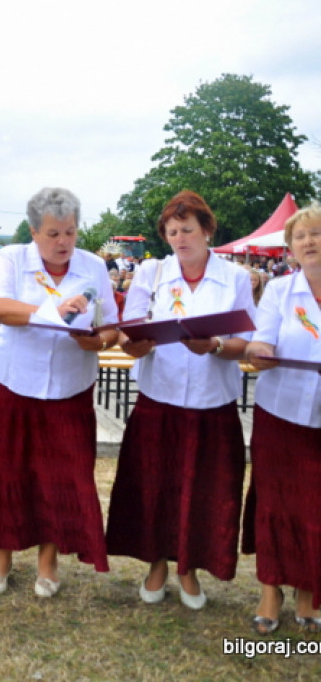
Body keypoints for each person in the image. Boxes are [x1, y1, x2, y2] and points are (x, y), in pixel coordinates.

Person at [106, 190, 254, 610]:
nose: (179, 238)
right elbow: (127, 333)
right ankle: (156, 563)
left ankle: (188, 568)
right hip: (160, 397)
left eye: (187, 230)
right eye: (171, 232)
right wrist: (136, 344)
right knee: (154, 484)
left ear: (207, 230)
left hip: (212, 401)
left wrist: (217, 345)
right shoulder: (151, 274)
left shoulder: (236, 278)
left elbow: (245, 341)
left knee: (203, 489)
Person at [0, 188, 119, 598]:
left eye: (71, 232)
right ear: (33, 232)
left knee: (63, 475)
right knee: (11, 471)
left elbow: (110, 325)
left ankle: (49, 559)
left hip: (70, 385)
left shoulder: (94, 265)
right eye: (53, 233)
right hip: (17, 381)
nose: (63, 242)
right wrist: (53, 312)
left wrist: (100, 342)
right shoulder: (12, 258)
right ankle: (1, 556)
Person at [243, 205, 321, 633]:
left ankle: (308, 592)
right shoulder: (278, 291)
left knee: (316, 509)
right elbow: (259, 344)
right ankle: (270, 589)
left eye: (317, 233)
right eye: (301, 236)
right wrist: (259, 355)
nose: (309, 241)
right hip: (281, 413)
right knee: (276, 503)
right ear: (290, 248)